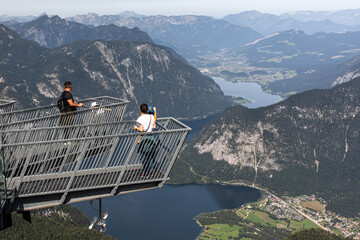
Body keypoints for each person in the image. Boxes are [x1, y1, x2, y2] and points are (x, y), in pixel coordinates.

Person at [133, 103, 158, 176]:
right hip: (151, 137)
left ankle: (144, 172)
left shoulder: (139, 119)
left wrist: (135, 128)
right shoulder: (151, 116)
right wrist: (155, 112)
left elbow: (141, 129)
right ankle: (152, 172)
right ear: (147, 110)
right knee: (150, 156)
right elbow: (154, 126)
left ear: (140, 110)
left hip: (144, 138)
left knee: (144, 156)